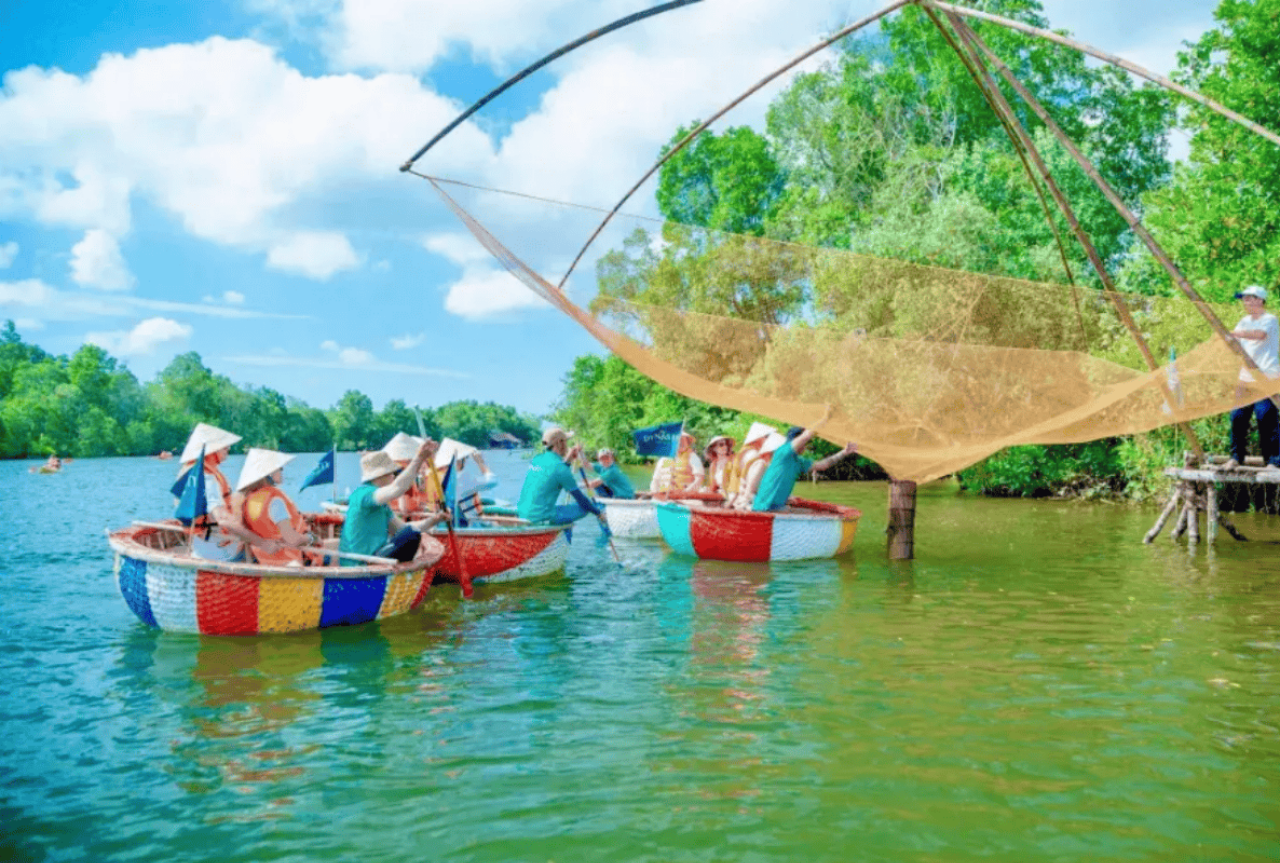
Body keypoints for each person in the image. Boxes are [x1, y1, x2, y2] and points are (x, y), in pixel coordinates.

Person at [339, 439, 449, 564]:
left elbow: (403, 528)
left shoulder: (382, 505)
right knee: (411, 536)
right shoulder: (363, 494)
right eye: (392, 473)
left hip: (374, 558)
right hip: (360, 562)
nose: (393, 476)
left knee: (410, 534)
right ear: (381, 475)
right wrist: (419, 458)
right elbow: (396, 488)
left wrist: (435, 519)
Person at [177, 422, 257, 561]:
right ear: (212, 451)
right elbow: (222, 518)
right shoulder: (207, 479)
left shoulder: (192, 471)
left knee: (241, 496)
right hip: (217, 549)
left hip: (202, 543)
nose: (228, 448)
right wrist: (260, 541)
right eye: (223, 445)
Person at [751, 412, 858, 512]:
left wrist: (844, 452)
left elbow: (823, 465)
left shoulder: (799, 462)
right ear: (796, 441)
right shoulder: (783, 453)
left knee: (811, 512)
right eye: (804, 443)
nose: (805, 447)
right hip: (764, 509)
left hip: (778, 508)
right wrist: (826, 417)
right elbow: (807, 435)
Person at [1224, 285, 1280, 471]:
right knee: (1237, 416)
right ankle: (1235, 458)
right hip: (1245, 377)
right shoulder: (1243, 321)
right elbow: (1236, 345)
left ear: (1259, 300)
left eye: (1249, 298)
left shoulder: (1269, 319)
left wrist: (1234, 334)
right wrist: (1230, 340)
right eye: (1244, 299)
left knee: (1265, 417)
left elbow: (1259, 335)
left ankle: (1272, 461)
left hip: (1266, 375)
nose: (1245, 302)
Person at [236, 448, 315, 566]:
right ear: (270, 473)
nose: (282, 471)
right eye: (280, 468)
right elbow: (291, 539)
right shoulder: (275, 501)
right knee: (334, 547)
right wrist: (311, 538)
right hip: (288, 563)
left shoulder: (249, 500)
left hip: (266, 561)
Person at [517, 427, 608, 526]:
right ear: (560, 443)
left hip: (523, 514)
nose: (567, 445)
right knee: (589, 506)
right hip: (542, 517)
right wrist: (599, 514)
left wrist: (568, 461)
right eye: (566, 441)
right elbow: (581, 500)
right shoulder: (561, 469)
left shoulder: (536, 459)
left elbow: (555, 472)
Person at [726, 422, 775, 509]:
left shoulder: (743, 452)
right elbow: (752, 486)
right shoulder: (756, 457)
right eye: (767, 436)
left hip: (735, 497)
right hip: (747, 501)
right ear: (758, 438)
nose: (769, 440)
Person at [649, 430, 705, 494]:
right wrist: (654, 492)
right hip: (664, 495)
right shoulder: (663, 459)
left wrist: (686, 491)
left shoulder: (693, 457)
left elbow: (699, 478)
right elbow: (655, 480)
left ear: (688, 443)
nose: (679, 443)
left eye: (682, 440)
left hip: (686, 496)